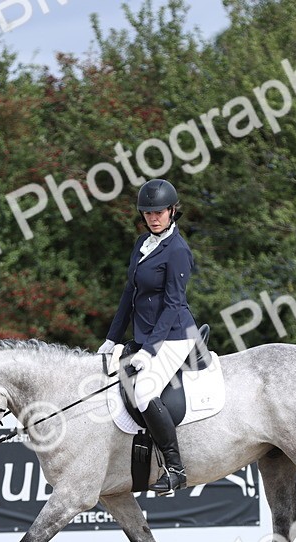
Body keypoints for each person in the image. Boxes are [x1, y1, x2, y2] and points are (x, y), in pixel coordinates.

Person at [98, 179, 198, 494]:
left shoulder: (178, 250)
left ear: (172, 211)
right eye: (148, 213)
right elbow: (130, 295)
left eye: (159, 212)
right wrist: (112, 339)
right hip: (144, 336)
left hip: (175, 336)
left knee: (143, 392)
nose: (153, 218)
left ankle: (176, 469)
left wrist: (150, 351)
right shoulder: (142, 244)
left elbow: (173, 305)